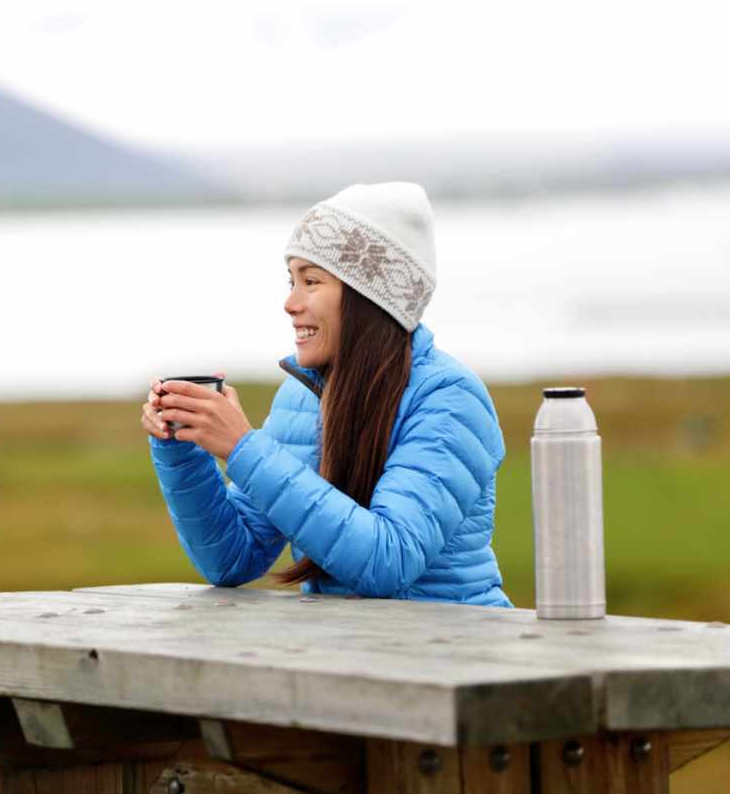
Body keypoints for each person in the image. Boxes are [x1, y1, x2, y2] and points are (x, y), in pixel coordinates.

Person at [139, 182, 512, 607]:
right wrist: (183, 448)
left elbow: (388, 559)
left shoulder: (450, 400)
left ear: (369, 298)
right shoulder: (303, 397)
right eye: (291, 280)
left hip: (460, 658)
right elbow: (230, 558)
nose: (290, 303)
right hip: (351, 657)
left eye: (310, 281)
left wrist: (244, 448)